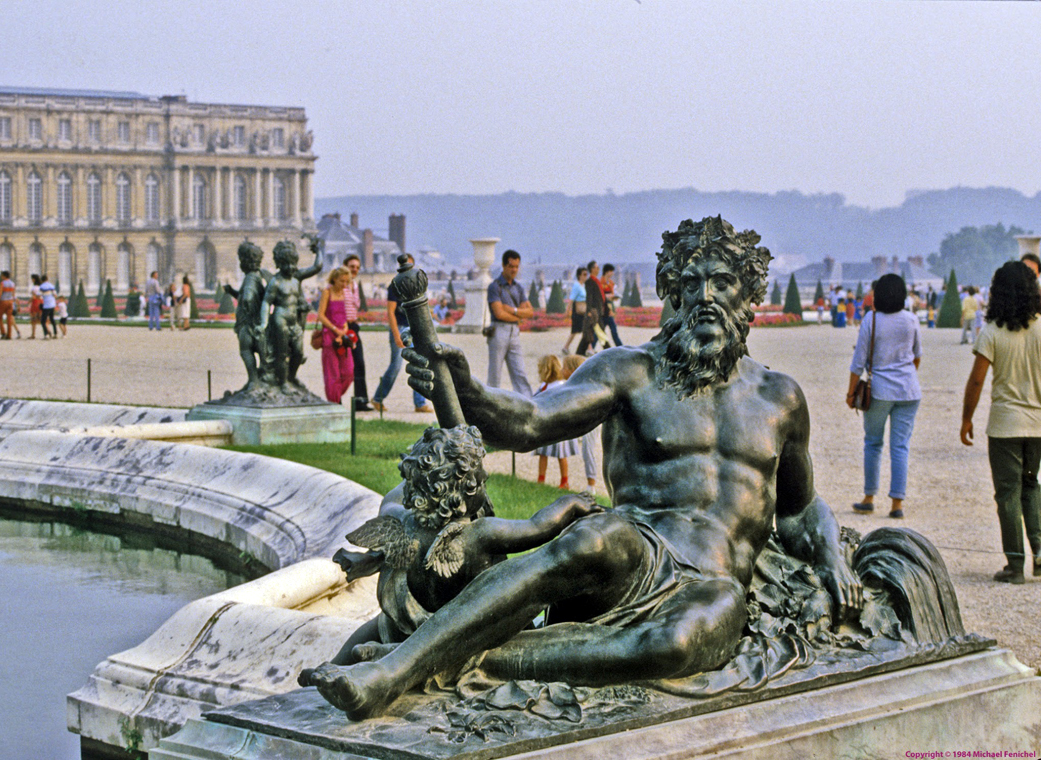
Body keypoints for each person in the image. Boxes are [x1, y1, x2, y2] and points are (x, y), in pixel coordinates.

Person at [305, 215, 861, 720]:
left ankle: (447, 660)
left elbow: (800, 508)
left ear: (747, 295)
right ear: (673, 293)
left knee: (683, 642)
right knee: (594, 538)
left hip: (711, 583)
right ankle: (391, 673)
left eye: (722, 283)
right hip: (637, 548)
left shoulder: (779, 398)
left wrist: (832, 553)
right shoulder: (629, 372)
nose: (707, 298)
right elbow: (529, 421)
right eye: (692, 285)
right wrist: (469, 389)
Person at [317, 425, 599, 668]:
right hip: (462, 633)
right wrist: (570, 504)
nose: (486, 479)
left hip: (407, 628)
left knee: (376, 628)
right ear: (462, 496)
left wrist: (418, 476)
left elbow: (400, 495)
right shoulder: (478, 535)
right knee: (517, 610)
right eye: (479, 481)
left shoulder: (399, 517)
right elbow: (537, 528)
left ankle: (332, 667)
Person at [961, 261, 1041, 585]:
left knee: (1007, 493)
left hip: (1005, 425)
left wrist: (967, 418)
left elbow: (977, 381)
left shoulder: (992, 331)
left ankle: (1015, 564)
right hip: (1038, 423)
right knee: (1031, 486)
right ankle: (1040, 555)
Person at [846, 273, 922, 520]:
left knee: (873, 443)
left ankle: (869, 498)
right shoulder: (911, 320)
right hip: (909, 390)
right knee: (900, 446)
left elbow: (858, 361)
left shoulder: (872, 319)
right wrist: (905, 376)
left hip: (879, 390)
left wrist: (850, 392)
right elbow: (917, 356)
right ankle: (896, 503)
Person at [257, 238, 324, 389]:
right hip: (280, 320)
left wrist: (318, 250)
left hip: (294, 322)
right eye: (286, 264)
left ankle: (291, 377)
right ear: (279, 264)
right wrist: (264, 322)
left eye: (293, 263)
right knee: (280, 354)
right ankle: (283, 382)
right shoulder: (276, 282)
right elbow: (266, 302)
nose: (290, 267)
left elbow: (317, 266)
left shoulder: (296, 278)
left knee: (298, 353)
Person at [371, 253, 432, 413]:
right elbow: (390, 312)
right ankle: (378, 398)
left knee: (420, 364)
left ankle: (420, 403)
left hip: (413, 328)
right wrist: (396, 335)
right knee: (396, 365)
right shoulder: (395, 285)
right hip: (400, 327)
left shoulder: (416, 285)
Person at [485, 249, 534, 396]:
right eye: (511, 266)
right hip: (498, 331)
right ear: (504, 265)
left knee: (520, 372)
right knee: (495, 374)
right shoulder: (494, 287)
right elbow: (499, 313)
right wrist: (520, 315)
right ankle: (491, 404)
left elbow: (530, 312)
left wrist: (512, 310)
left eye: (516, 267)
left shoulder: (518, 287)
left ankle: (528, 403)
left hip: (514, 333)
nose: (514, 270)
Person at [223, 242, 269, 390]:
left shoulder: (250, 277)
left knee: (246, 351)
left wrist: (247, 308)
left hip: (248, 323)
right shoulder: (256, 275)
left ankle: (253, 379)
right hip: (256, 322)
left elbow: (248, 296)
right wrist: (232, 292)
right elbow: (245, 296)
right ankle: (260, 381)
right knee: (263, 355)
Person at [534, 355, 579, 489]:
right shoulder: (544, 386)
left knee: (561, 453)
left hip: (558, 424)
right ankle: (541, 478)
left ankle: (564, 481)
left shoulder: (559, 386)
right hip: (547, 424)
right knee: (543, 452)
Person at [562, 354, 599, 495]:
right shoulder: (572, 386)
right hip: (582, 420)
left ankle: (592, 485)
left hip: (590, 421)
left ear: (572, 370)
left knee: (588, 451)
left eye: (564, 368)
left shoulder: (584, 387)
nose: (561, 370)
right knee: (585, 451)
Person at [318, 267, 355, 404]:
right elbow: (321, 316)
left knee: (349, 372)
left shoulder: (345, 293)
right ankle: (335, 401)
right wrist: (335, 329)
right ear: (334, 279)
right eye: (342, 281)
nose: (344, 285)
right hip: (329, 336)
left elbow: (344, 315)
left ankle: (334, 397)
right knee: (332, 372)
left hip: (343, 336)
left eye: (347, 281)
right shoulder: (327, 293)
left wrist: (344, 328)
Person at [343, 254, 373, 412]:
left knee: (359, 363)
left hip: (354, 328)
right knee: (341, 365)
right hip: (342, 327)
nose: (354, 269)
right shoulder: (340, 285)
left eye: (356, 267)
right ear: (345, 266)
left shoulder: (354, 285)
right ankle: (336, 400)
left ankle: (361, 401)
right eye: (351, 266)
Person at [575, 260, 606, 356]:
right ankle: (608, 351)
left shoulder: (596, 281)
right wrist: (589, 311)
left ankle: (578, 354)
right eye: (596, 267)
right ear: (592, 269)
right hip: (593, 312)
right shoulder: (590, 282)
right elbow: (589, 298)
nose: (598, 269)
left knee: (589, 335)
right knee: (599, 333)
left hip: (597, 311)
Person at [562, 267, 589, 355]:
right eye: (584, 274)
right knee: (576, 331)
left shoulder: (582, 285)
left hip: (582, 310)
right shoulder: (577, 286)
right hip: (577, 311)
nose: (586, 276)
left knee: (585, 330)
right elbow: (571, 299)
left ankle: (589, 348)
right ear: (579, 276)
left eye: (586, 274)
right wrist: (567, 311)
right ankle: (566, 347)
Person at [600, 263, 623, 347]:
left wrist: (614, 297)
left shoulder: (610, 282)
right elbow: (600, 295)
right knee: (601, 331)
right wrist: (608, 296)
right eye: (611, 271)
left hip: (609, 310)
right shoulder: (600, 282)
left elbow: (612, 294)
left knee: (612, 331)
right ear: (607, 272)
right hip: (603, 309)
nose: (612, 273)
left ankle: (620, 347)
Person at [0, 271, 17, 340]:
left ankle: (3, 333)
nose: (1, 277)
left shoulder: (2, 283)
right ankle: (9, 335)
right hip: (10, 301)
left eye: (2, 276)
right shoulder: (13, 284)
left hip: (3, 301)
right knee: (9, 319)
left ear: (4, 276)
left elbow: (0, 293)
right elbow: (13, 295)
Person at [28, 274, 42, 339]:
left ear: (34, 279)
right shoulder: (41, 287)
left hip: (35, 303)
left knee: (33, 320)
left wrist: (29, 301)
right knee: (42, 319)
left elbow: (34, 297)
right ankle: (47, 332)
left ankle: (33, 334)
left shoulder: (34, 287)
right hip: (41, 302)